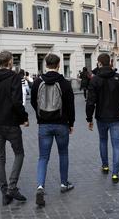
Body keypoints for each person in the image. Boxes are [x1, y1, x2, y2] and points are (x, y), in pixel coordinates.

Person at [31, 53, 75, 206]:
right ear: (58, 65)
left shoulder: (37, 82)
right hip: (62, 124)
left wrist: (40, 116)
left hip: (44, 124)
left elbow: (33, 101)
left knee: (43, 157)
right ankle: (64, 184)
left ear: (45, 65)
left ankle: (40, 186)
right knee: (63, 153)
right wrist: (71, 123)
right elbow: (70, 105)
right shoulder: (64, 82)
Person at [86, 53, 119, 183]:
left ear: (99, 63)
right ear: (110, 63)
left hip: (101, 116)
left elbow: (90, 101)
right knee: (116, 144)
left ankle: (105, 166)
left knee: (103, 141)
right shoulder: (118, 78)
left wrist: (89, 118)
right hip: (116, 116)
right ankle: (115, 173)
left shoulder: (95, 80)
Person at [0, 51, 29, 206]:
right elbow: (17, 102)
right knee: (19, 153)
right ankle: (12, 187)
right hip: (11, 123)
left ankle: (5, 192)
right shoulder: (14, 77)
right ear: (9, 62)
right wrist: (24, 118)